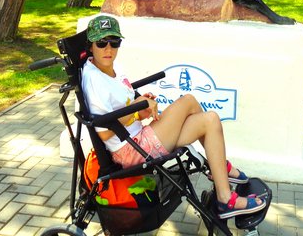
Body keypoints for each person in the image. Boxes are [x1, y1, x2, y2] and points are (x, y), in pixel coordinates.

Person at [81, 14, 267, 220]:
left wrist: (140, 106)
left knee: (211, 120)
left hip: (138, 137)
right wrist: (135, 109)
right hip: (131, 150)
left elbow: (122, 106)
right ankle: (223, 188)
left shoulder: (112, 68)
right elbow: (105, 132)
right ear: (91, 46)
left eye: (114, 42)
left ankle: (222, 183)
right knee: (188, 100)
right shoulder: (93, 80)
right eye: (101, 43)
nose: (108, 49)